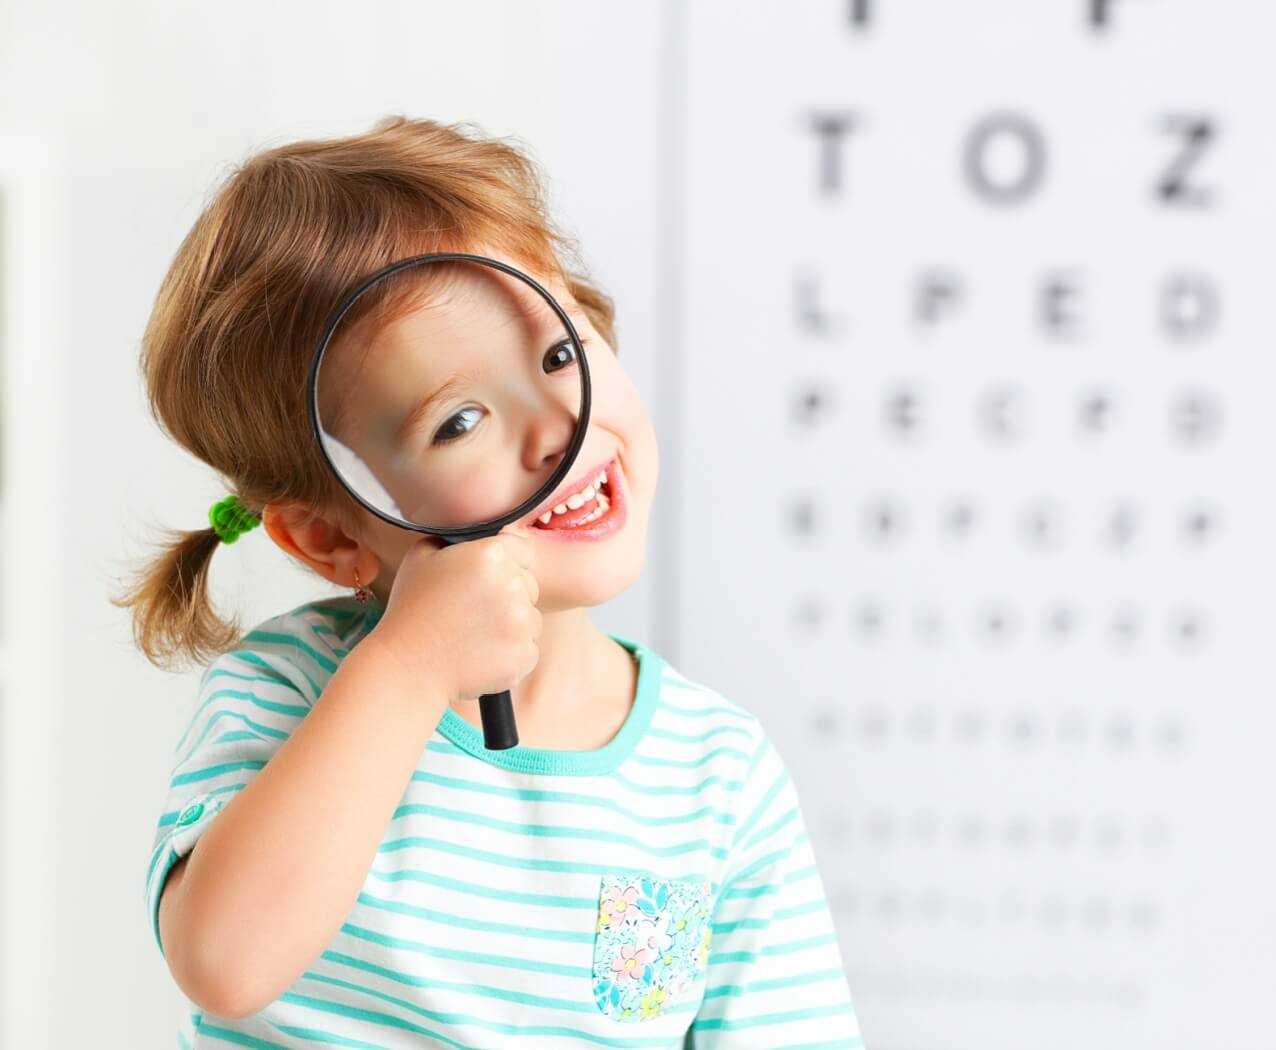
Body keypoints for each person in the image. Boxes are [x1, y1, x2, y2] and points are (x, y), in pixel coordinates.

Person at [114, 116, 863, 1048]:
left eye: (559, 354)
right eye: (459, 421)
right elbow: (224, 962)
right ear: (330, 538)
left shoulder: (716, 779)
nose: (557, 428)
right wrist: (409, 670)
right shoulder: (288, 695)